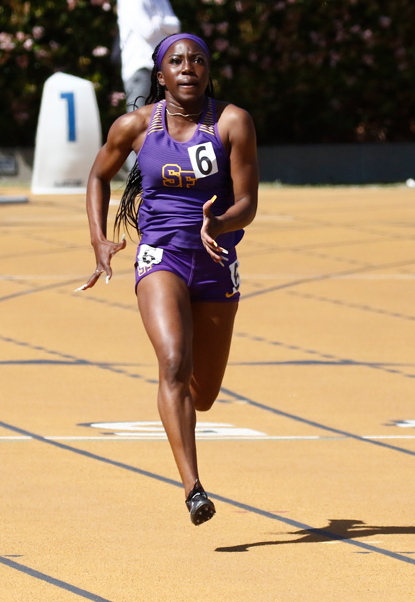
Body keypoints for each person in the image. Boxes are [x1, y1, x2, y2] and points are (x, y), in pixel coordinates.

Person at [79, 33, 259, 525]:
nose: (188, 68)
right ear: (160, 76)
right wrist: (99, 239)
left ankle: (187, 416)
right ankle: (193, 488)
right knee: (173, 362)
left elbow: (248, 203)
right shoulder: (135, 126)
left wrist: (219, 223)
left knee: (202, 394)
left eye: (198, 60)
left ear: (207, 71)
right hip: (160, 257)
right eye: (176, 61)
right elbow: (98, 176)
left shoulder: (232, 122)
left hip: (216, 258)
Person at [116, 0, 181, 112]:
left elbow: (176, 27)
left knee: (160, 123)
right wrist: (163, 24)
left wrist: (156, 21)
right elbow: (147, 31)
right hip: (140, 66)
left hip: (161, 68)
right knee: (136, 120)